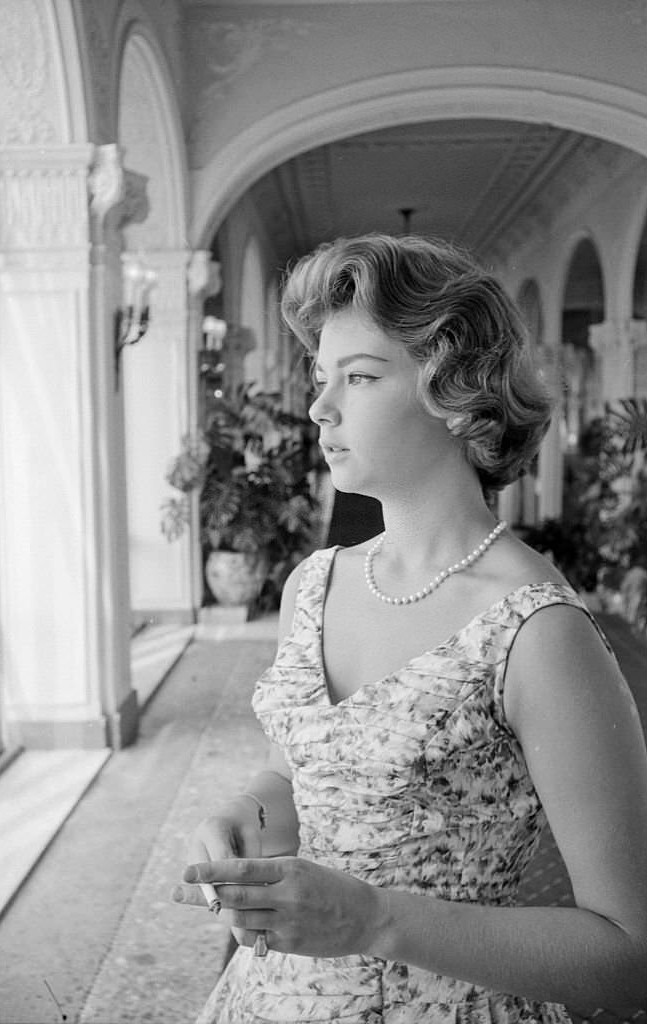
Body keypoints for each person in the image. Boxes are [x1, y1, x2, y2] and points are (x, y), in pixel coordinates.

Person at [173, 234, 647, 1022]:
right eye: (320, 378)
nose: (320, 408)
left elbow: (629, 958)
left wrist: (374, 920)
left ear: (456, 393)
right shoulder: (313, 585)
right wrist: (243, 817)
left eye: (358, 377)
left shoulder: (536, 630)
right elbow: (295, 779)